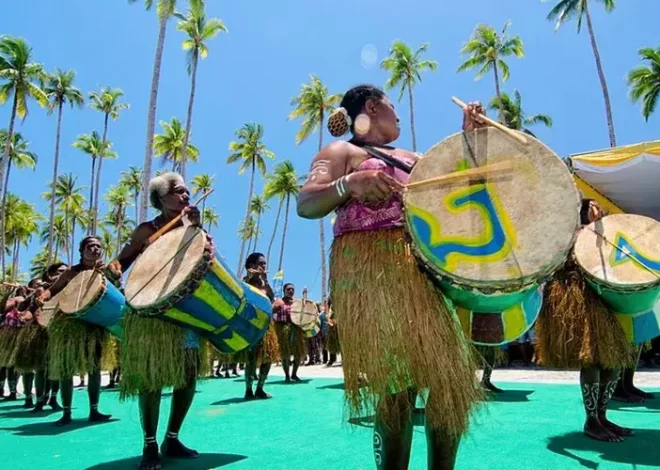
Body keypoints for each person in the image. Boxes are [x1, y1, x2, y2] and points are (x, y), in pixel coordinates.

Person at [297, 84, 483, 469]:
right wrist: (350, 183)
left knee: (450, 383)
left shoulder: (414, 157)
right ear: (371, 106)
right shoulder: (343, 152)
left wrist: (471, 139)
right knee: (398, 387)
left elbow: (457, 192)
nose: (398, 114)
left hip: (424, 268)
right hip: (373, 270)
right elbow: (307, 201)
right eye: (392, 105)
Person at [107, 172, 204, 470]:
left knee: (188, 377)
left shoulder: (193, 228)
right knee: (151, 379)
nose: (185, 196)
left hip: (185, 312)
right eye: (178, 191)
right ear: (161, 198)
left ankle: (171, 438)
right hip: (150, 314)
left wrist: (195, 227)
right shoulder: (145, 231)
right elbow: (121, 261)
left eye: (187, 191)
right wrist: (112, 268)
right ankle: (150, 444)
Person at [536, 199, 634, 442]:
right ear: (583, 210)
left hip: (605, 301)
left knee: (614, 360)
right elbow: (557, 264)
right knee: (592, 360)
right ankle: (591, 421)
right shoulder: (571, 234)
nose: (598, 208)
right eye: (592, 205)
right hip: (578, 299)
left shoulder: (608, 234)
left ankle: (602, 416)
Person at [38, 237, 113, 426]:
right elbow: (52, 291)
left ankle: (94, 410)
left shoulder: (103, 271)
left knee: (94, 368)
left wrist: (109, 274)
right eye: (90, 246)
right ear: (82, 251)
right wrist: (43, 296)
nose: (95, 249)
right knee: (66, 369)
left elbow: (115, 292)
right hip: (70, 324)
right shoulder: (71, 272)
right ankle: (66, 413)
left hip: (94, 323)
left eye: (98, 246)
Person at [239, 252, 279, 399]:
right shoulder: (245, 280)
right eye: (260, 263)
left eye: (264, 263)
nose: (263, 266)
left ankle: (260, 388)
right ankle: (248, 390)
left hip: (266, 326)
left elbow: (272, 298)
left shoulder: (264, 283)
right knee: (251, 358)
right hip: (251, 326)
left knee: (268, 356)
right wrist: (251, 277)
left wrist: (265, 281)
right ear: (251, 265)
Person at [273, 283, 306, 382]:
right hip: (283, 329)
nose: (291, 291)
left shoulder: (297, 302)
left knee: (298, 353)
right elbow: (271, 311)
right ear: (284, 291)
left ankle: (294, 374)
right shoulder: (279, 301)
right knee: (285, 354)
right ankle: (287, 375)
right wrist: (276, 308)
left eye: (292, 289)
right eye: (288, 289)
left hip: (295, 329)